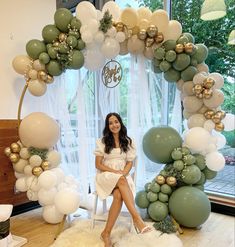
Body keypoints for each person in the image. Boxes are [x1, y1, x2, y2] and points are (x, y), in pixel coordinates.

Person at [94, 113, 152, 247]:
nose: (114, 125)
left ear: (120, 123)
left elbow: (130, 163)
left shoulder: (128, 141)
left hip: (122, 176)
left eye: (116, 122)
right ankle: (137, 219)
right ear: (107, 126)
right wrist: (115, 172)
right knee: (120, 180)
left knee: (119, 195)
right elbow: (98, 164)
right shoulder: (102, 142)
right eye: (110, 123)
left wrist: (124, 173)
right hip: (106, 174)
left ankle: (106, 233)